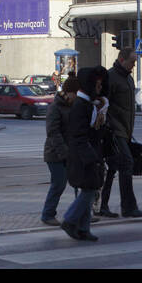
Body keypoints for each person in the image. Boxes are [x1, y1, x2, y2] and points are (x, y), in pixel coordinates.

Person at [99, 50, 142, 219]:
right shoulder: (111, 77)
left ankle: (103, 206)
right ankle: (128, 207)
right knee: (127, 164)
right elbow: (103, 103)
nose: (134, 66)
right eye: (132, 62)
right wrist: (109, 126)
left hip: (125, 131)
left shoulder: (128, 77)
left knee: (112, 168)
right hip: (114, 130)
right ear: (121, 59)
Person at [63, 67, 106, 241]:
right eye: (97, 84)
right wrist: (91, 157)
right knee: (89, 190)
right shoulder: (81, 106)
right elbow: (79, 135)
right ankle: (70, 220)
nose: (100, 87)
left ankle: (83, 228)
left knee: (90, 189)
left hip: (87, 154)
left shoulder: (88, 104)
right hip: (83, 156)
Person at [41, 75, 79, 226]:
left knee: (78, 182)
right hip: (54, 153)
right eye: (76, 94)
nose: (77, 97)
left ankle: (81, 212)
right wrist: (65, 153)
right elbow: (53, 132)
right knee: (59, 183)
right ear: (69, 92)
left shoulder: (71, 105)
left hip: (68, 151)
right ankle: (48, 214)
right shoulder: (55, 107)